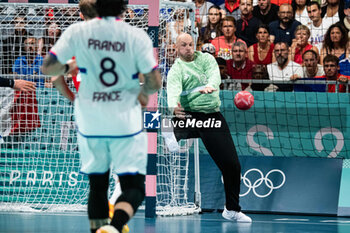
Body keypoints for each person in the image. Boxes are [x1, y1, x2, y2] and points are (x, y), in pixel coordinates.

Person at [41, 1, 162, 233]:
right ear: (124, 8)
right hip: (124, 120)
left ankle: (99, 231)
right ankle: (115, 226)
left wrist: (69, 69)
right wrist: (144, 94)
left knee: (97, 185)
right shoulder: (135, 35)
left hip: (90, 121)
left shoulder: (77, 32)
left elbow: (48, 69)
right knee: (134, 185)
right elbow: (155, 81)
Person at [167, 33, 252, 223]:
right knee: (182, 120)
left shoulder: (206, 58)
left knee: (232, 166)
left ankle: (231, 210)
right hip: (191, 114)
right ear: (177, 47)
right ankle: (173, 128)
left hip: (212, 116)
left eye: (191, 44)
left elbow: (215, 75)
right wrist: (173, 105)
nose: (188, 48)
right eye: (184, 45)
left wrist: (211, 86)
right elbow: (172, 89)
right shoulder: (177, 69)